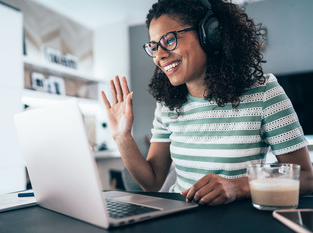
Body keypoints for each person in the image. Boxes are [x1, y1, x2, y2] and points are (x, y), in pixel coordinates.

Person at [101, 0, 313, 206]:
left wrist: (239, 187)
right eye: (154, 46)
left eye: (169, 40)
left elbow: (306, 178)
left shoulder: (264, 93)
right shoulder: (167, 104)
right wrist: (122, 137)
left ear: (210, 34)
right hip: (177, 219)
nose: (160, 56)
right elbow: (153, 182)